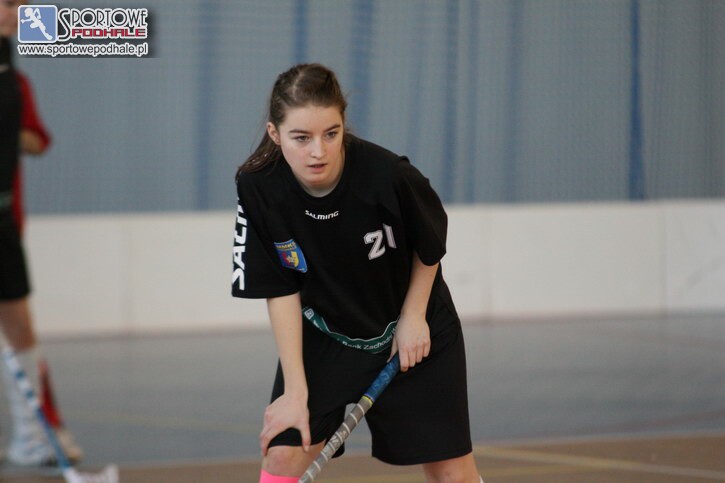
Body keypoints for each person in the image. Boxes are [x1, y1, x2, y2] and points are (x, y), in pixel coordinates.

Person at [232, 63, 484, 483]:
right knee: (283, 454)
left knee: (452, 473)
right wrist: (295, 391)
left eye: (331, 134)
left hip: (413, 327)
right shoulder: (258, 186)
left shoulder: (388, 175)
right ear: (275, 134)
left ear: (343, 124)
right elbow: (279, 287)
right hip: (327, 335)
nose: (319, 151)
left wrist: (413, 316)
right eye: (301, 138)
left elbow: (429, 246)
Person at [0, 0, 82, 466]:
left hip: (5, 221)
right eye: (11, 3)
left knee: (20, 328)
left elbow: (36, 140)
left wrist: (8, 131)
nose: (21, 12)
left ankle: (35, 435)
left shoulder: (17, 82)